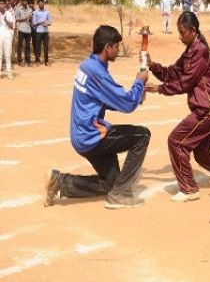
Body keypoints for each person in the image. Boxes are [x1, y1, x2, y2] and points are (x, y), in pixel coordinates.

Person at [43, 25, 150, 209]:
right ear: (107, 47)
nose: (118, 49)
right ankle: (122, 195)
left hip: (82, 136)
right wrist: (139, 82)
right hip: (92, 136)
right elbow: (126, 104)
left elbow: (104, 100)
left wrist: (137, 96)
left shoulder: (88, 66)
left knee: (110, 184)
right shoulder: (97, 72)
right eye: (116, 46)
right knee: (142, 135)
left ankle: (60, 182)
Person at [145, 11, 210, 202]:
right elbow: (173, 73)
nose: (180, 37)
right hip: (206, 108)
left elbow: (185, 83)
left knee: (176, 142)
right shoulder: (190, 50)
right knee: (202, 153)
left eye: (182, 33)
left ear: (193, 31)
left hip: (207, 110)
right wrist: (152, 65)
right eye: (179, 33)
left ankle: (189, 188)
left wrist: (160, 89)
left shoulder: (200, 51)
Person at [32, 0, 52, 66]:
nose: (41, 5)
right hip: (38, 32)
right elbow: (34, 23)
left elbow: (50, 22)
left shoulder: (47, 12)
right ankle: (37, 60)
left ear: (44, 4)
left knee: (46, 46)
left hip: (45, 32)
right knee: (38, 46)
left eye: (42, 4)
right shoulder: (35, 13)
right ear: (38, 4)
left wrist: (47, 24)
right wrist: (40, 23)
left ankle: (46, 61)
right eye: (40, 4)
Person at [15, 0, 33, 67]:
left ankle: (27, 61)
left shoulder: (30, 9)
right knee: (20, 46)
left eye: (26, 1)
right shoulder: (18, 9)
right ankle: (19, 61)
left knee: (28, 46)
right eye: (24, 1)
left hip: (28, 30)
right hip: (21, 29)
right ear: (21, 1)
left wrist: (31, 18)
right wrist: (25, 18)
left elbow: (31, 20)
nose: (25, 2)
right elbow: (16, 19)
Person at [0, 0, 15, 79]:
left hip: (7, 35)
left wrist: (6, 20)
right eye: (0, 4)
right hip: (0, 35)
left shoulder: (8, 13)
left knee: (8, 54)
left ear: (5, 5)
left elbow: (12, 26)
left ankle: (9, 73)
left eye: (2, 4)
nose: (1, 5)